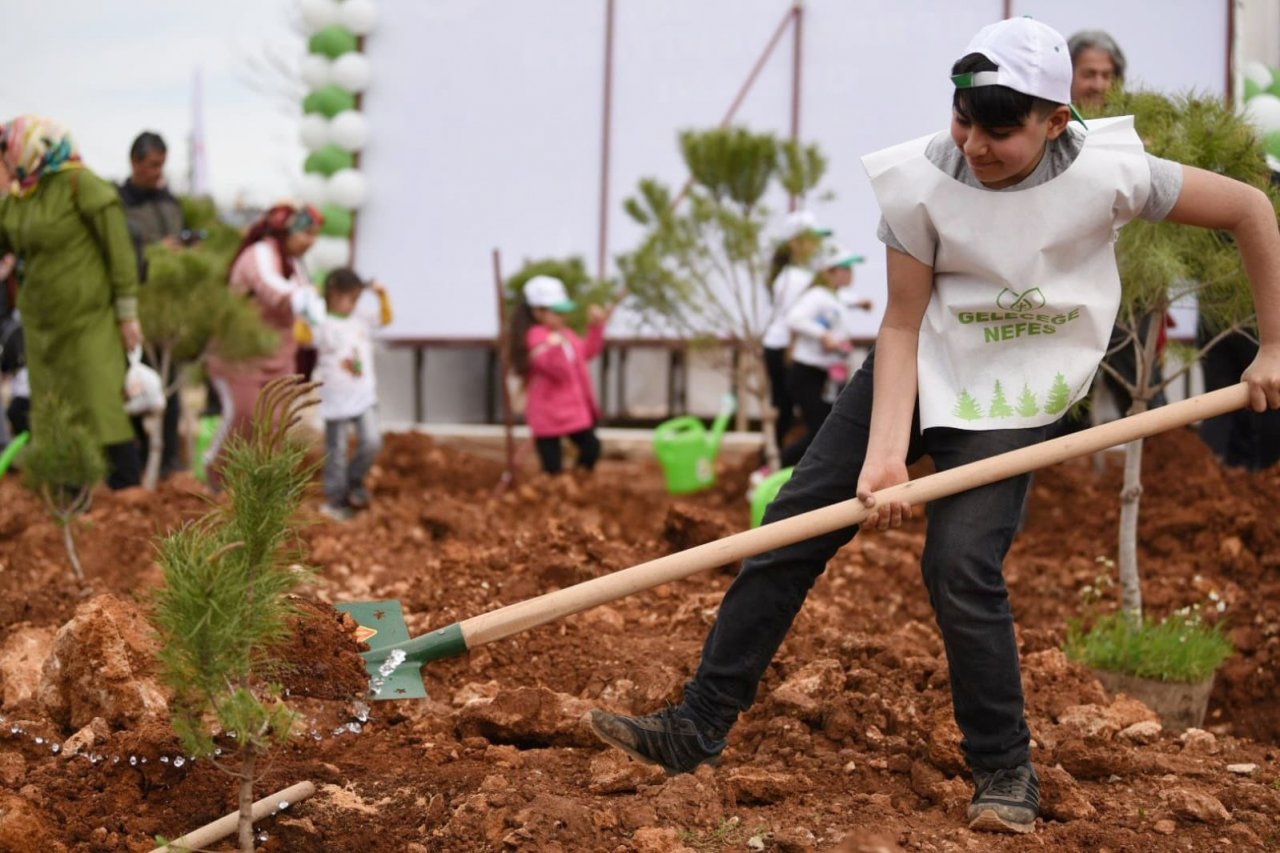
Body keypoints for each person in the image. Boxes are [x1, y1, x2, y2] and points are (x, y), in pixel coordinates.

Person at [588, 17, 1280, 836]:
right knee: (791, 527)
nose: (975, 145)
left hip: (1019, 384)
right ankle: (696, 725)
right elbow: (902, 325)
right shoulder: (923, 182)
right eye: (963, 119)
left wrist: (1273, 343)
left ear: (1056, 120)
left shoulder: (1112, 173)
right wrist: (884, 455)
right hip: (922, 363)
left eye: (1000, 129)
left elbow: (1249, 209)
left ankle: (1005, 769)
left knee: (959, 561)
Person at [0, 116, 144, 489]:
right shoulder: (22, 196)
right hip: (43, 333)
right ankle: (70, 507)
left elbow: (120, 253)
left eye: (6, 150)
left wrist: (127, 314)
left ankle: (127, 497)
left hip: (88, 325)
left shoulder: (81, 184)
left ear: (33, 145)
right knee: (55, 414)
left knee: (101, 409)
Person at [203, 203, 324, 488]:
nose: (311, 241)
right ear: (287, 230)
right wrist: (301, 298)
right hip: (241, 355)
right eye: (306, 233)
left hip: (280, 357)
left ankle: (262, 490)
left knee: (277, 424)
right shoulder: (259, 254)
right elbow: (271, 287)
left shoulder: (295, 265)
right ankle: (218, 479)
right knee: (243, 416)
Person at [117, 130, 195, 478]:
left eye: (162, 164)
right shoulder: (119, 203)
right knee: (133, 386)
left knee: (170, 388)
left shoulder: (170, 201)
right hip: (137, 309)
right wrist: (156, 250)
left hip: (170, 311)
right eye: (152, 164)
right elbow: (120, 254)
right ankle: (138, 456)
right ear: (134, 162)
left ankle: (167, 462)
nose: (158, 171)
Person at [310, 267, 393, 520]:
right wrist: (306, 307)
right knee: (336, 452)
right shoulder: (322, 324)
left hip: (364, 396)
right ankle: (336, 498)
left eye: (357, 299)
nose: (353, 304)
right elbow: (302, 336)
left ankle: (354, 481)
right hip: (335, 400)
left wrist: (382, 295)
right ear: (333, 294)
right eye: (350, 298)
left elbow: (386, 319)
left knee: (371, 441)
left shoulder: (361, 319)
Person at [778, 242, 868, 468]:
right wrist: (823, 335)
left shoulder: (835, 296)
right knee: (820, 430)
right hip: (805, 374)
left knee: (826, 427)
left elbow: (843, 303)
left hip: (824, 375)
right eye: (845, 268)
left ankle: (793, 468)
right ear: (830, 272)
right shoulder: (816, 295)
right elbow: (794, 318)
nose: (850, 274)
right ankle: (780, 464)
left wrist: (860, 303)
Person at [507, 275, 609, 475]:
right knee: (552, 469)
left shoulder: (565, 335)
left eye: (564, 312)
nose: (562, 317)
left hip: (573, 412)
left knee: (591, 447)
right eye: (557, 312)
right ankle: (557, 493)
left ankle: (577, 484)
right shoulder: (536, 337)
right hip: (548, 416)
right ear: (538, 312)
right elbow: (556, 369)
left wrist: (595, 327)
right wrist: (553, 347)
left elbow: (586, 352)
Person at [762, 210, 831, 456]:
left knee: (790, 410)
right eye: (810, 239)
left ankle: (776, 461)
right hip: (784, 350)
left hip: (783, 349)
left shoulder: (794, 274)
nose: (816, 244)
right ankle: (777, 462)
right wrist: (793, 356)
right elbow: (795, 321)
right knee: (791, 411)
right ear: (794, 243)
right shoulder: (795, 277)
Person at [1067, 30, 1126, 112]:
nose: (1098, 86)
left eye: (1106, 76)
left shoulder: (1134, 122)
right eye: (1088, 75)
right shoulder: (1047, 122)